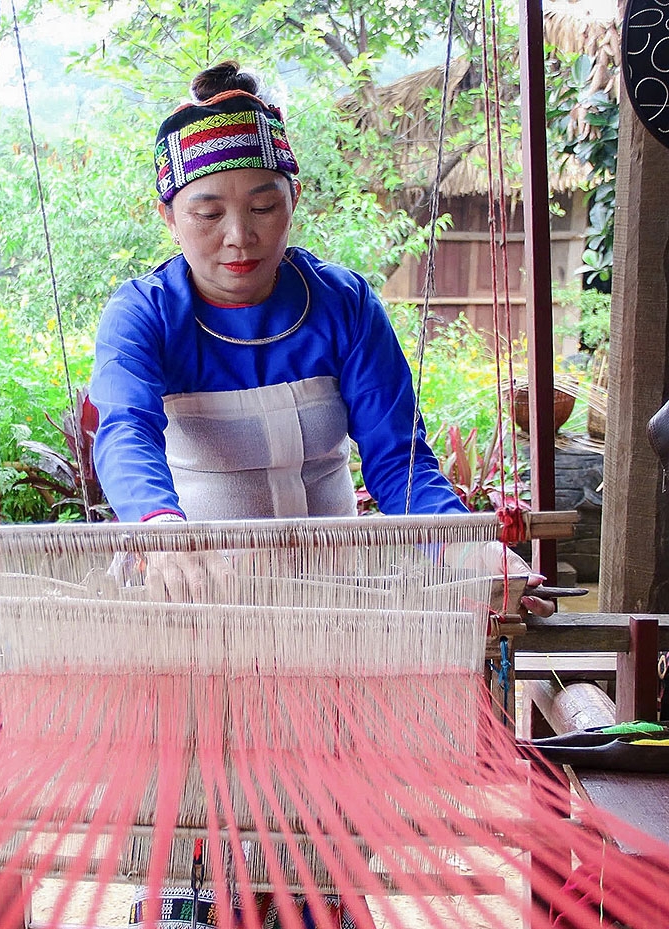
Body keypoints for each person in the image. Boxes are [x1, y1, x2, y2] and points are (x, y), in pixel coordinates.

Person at [89, 60, 552, 928]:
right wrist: (158, 528)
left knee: (324, 817)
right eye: (209, 211)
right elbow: (124, 431)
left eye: (263, 205)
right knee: (211, 809)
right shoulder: (143, 313)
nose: (239, 236)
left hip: (331, 600)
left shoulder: (341, 305)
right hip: (199, 595)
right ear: (168, 215)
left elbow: (399, 459)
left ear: (293, 198)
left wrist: (460, 545)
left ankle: (325, 897)